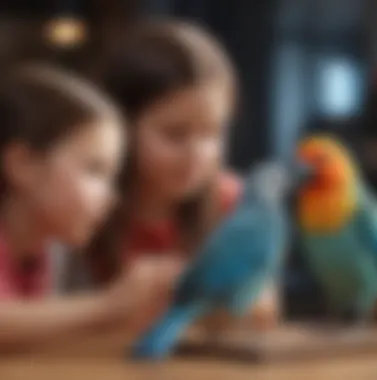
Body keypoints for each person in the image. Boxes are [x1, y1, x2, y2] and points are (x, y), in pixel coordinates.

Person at [86, 20, 280, 336]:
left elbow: (266, 308)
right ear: (119, 127)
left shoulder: (233, 201)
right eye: (175, 135)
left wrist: (221, 294)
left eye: (213, 133)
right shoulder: (84, 204)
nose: (198, 155)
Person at [0, 64, 154, 349]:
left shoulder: (49, 250)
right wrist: (110, 306)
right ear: (23, 165)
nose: (112, 197)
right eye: (95, 170)